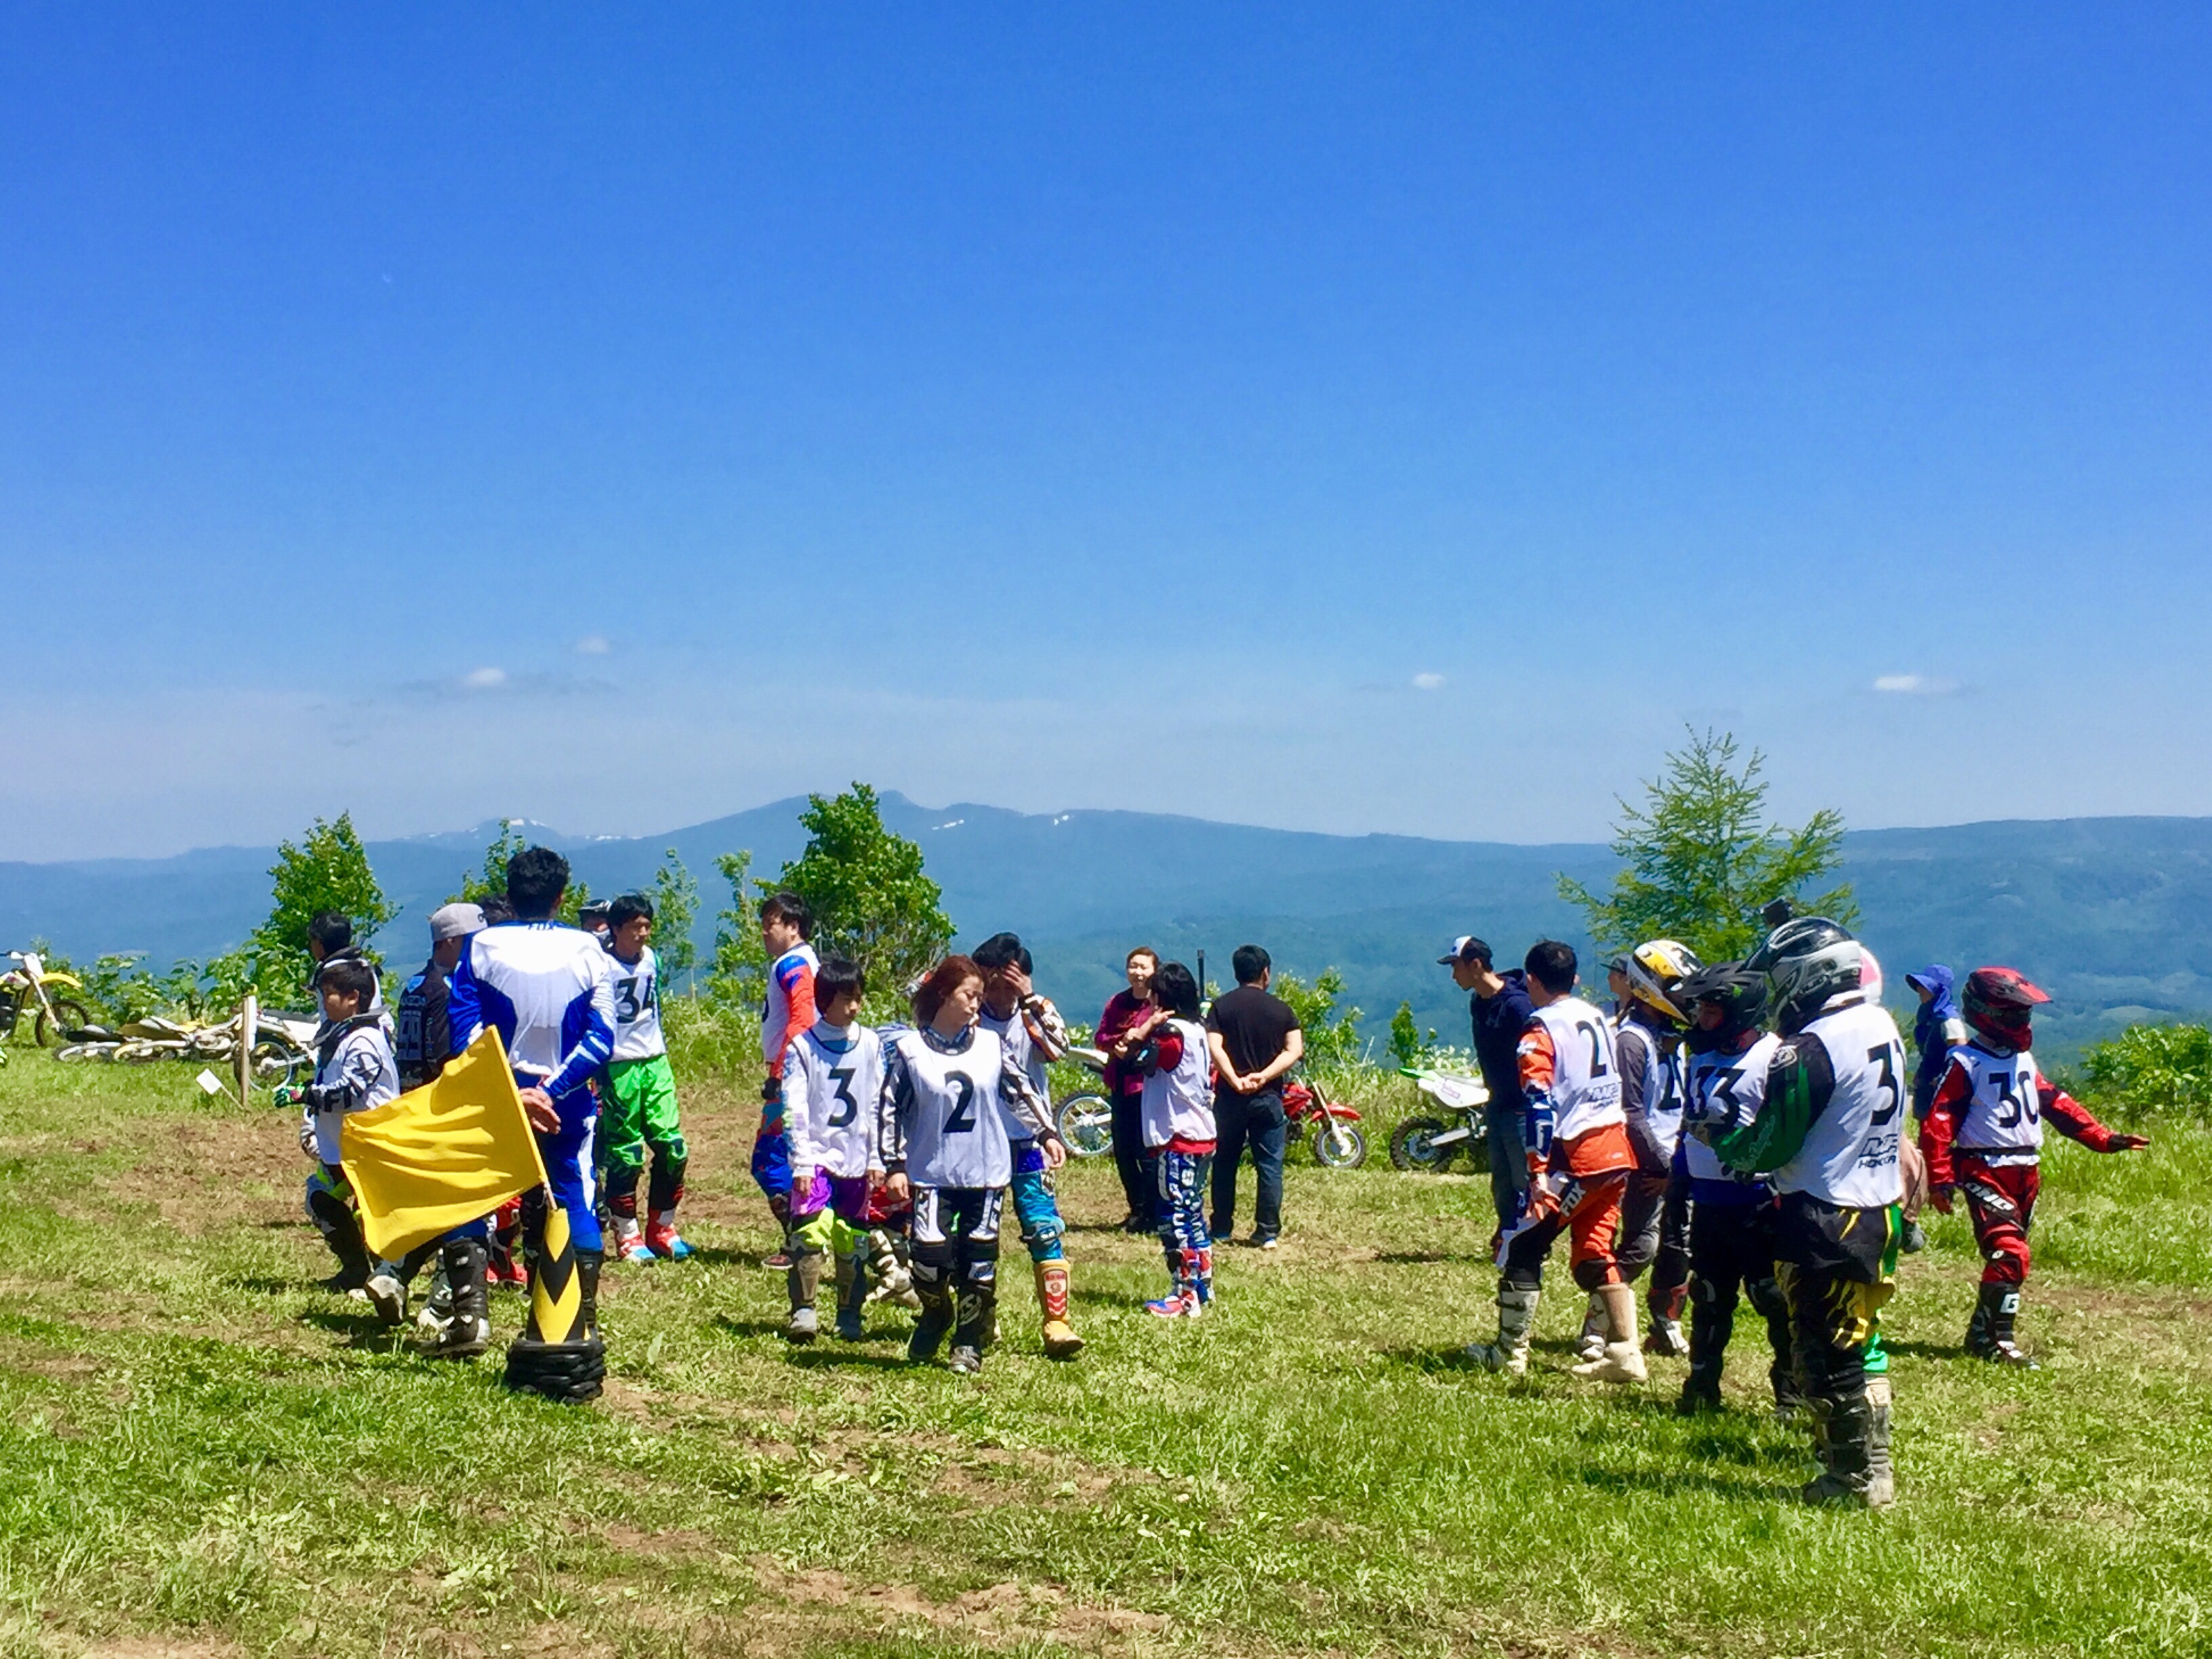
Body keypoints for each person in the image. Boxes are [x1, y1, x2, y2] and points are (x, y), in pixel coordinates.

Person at [1708, 916, 1906, 1509]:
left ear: (1806, 978)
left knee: (1825, 1351)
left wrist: (1724, 1141)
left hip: (1825, 1213)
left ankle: (1850, 1479)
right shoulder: (1880, 1023)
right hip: (1880, 1206)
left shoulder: (1809, 1048)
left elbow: (1771, 1145)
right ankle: (1874, 1466)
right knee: (1862, 1341)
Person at [1919, 968, 2148, 1368]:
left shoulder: (2022, 1060)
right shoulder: (1966, 1062)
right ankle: (1998, 1341)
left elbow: (2056, 1103)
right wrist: (1940, 1179)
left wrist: (2103, 1138)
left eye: (2024, 1015)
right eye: (2013, 1015)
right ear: (1988, 1014)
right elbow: (1938, 1122)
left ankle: (1980, 1333)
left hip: (2026, 1170)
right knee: (2010, 1253)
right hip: (1984, 1167)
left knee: (2009, 1258)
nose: (2022, 1022)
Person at [447, 846, 617, 1386]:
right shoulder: (590, 949)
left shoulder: (480, 946)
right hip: (568, 1101)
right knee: (575, 1196)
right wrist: (553, 1089)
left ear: (511, 892)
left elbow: (466, 1036)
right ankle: (580, 1317)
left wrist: (517, 1093)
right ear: (562, 896)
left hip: (499, 1095)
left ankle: (470, 1316)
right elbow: (602, 1039)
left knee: (473, 1192)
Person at [1465, 941, 1645, 1382]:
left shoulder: (1540, 1029)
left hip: (1575, 1156)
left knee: (1521, 1245)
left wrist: (1538, 1170)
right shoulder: (1597, 1016)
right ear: (1574, 978)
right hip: (1616, 1150)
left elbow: (1539, 1104)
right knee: (1594, 1255)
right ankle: (1626, 1351)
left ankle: (1510, 1353)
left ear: (1531, 980)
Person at [879, 956, 1066, 1374]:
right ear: (944, 995)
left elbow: (1022, 1092)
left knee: (979, 1262)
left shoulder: (991, 1047)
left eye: (979, 997)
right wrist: (893, 1164)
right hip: (931, 1172)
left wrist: (1047, 1133)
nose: (976, 1005)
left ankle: (967, 1342)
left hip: (985, 1172)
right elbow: (889, 1109)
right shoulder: (910, 1052)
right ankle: (936, 1312)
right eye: (969, 995)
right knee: (928, 1259)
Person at [1674, 962, 1797, 1418]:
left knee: (1773, 1298)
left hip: (1760, 1203)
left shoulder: (1777, 1058)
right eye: (1700, 1011)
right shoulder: (1700, 1058)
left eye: (1711, 1012)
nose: (1701, 1021)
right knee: (1708, 1296)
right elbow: (1690, 1127)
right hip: (1709, 1203)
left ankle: (1790, 1391)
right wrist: (1678, 1187)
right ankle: (1702, 1388)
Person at [972, 933, 1085, 1359]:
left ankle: (1057, 1322)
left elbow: (1057, 1049)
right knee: (977, 1233)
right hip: (980, 1142)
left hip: (1029, 1142)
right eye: (990, 978)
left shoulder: (1036, 1013)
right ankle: (981, 1315)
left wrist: (1030, 999)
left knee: (1044, 1228)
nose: (996, 989)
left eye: (1006, 979)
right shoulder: (969, 1019)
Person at [1587, 939, 1700, 1364]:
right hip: (1646, 1162)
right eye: (1675, 988)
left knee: (1679, 1245)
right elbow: (1631, 1112)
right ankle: (1597, 1326)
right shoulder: (1631, 1041)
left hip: (1675, 1159)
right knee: (1641, 1245)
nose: (1684, 998)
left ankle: (1665, 1322)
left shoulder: (1672, 1037)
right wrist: (1663, 1165)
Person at [280, 958, 403, 1313]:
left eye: (329, 995)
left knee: (371, 1215)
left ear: (353, 998)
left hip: (370, 1146)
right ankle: (355, 1270)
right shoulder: (343, 1035)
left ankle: (385, 1276)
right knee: (321, 1199)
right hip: (343, 1148)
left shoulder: (365, 1040)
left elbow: (348, 1093)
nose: (324, 1002)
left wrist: (305, 1094)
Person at [779, 956, 887, 1343]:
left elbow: (877, 1102)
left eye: (858, 998)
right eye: (846, 999)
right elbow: (794, 1107)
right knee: (809, 1231)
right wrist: (802, 1161)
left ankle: (849, 1313)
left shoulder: (870, 1044)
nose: (854, 1007)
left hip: (857, 1158)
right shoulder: (803, 1047)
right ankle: (804, 1310)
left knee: (852, 1236)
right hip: (817, 1156)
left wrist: (877, 1156)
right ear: (825, 1000)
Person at [602, 893, 692, 1265]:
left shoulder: (652, 959)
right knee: (627, 1153)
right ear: (616, 929)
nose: (642, 934)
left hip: (655, 1060)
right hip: (618, 1064)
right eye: (635, 927)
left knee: (673, 1147)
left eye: (647, 926)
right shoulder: (602, 965)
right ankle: (626, 1233)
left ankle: (663, 1227)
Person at [1132, 961, 1216, 1318]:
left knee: (1175, 1216)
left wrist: (1143, 1030)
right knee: (1193, 1212)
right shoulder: (1198, 1030)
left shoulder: (1170, 1035)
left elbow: (1136, 1061)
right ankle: (1203, 1285)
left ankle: (1184, 1294)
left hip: (1177, 1135)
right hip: (1202, 1132)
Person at [1206, 945, 1303, 1250]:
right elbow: (1294, 1050)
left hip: (1229, 1098)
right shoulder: (1282, 1010)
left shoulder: (1221, 1007)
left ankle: (1221, 1227)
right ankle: (1267, 1231)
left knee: (1225, 1162)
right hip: (1268, 1097)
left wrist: (1234, 1079)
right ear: (1266, 973)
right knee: (1270, 1165)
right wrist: (1263, 1076)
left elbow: (1214, 1047)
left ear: (1236, 972)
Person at [1440, 937, 1536, 1235]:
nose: (1453, 975)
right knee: (1502, 1181)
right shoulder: (1478, 1003)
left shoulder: (1518, 1007)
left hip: (1521, 1107)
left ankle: (1531, 1239)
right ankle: (1507, 1235)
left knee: (1524, 1178)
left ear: (1476, 965)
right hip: (1496, 1104)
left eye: (1456, 967)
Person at [754, 893, 820, 1271]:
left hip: (794, 1075)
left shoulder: (794, 964)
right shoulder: (799, 961)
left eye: (771, 924)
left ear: (793, 927)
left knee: (772, 1160)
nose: (765, 932)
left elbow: (802, 1016)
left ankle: (802, 1241)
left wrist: (780, 1074)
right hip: (804, 1070)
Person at [1096, 947, 1162, 1231]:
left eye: (1143, 967)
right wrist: (1118, 1044)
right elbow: (1101, 1037)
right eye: (1133, 966)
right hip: (1120, 1082)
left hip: (1147, 1086)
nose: (1138, 973)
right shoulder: (1117, 1002)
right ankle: (1137, 1208)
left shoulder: (1158, 1004)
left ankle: (1153, 1211)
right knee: (1123, 1151)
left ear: (1155, 971)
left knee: (1146, 1151)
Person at [396, 903, 483, 1092]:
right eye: (473, 940)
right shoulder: (447, 990)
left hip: (411, 1090)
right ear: (451, 941)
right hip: (438, 1092)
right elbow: (442, 1053)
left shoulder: (416, 985)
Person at [306, 910, 387, 1037]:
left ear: (319, 943)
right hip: (377, 1033)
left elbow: (329, 1017)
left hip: (345, 1036)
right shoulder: (365, 965)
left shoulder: (328, 972)